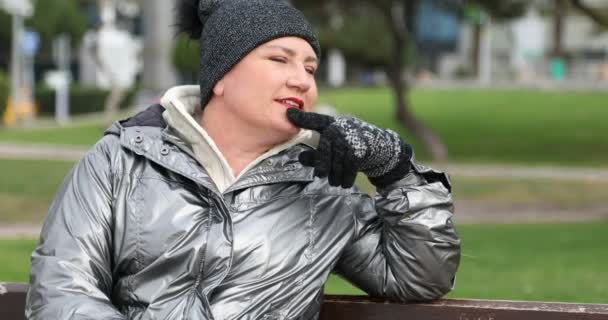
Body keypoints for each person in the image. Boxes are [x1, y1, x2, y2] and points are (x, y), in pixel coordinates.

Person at [25, 0, 461, 319]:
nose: (301, 79)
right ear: (221, 77)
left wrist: (396, 171)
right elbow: (62, 289)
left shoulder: (322, 189)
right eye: (280, 59)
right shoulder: (119, 160)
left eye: (311, 68)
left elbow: (418, 277)